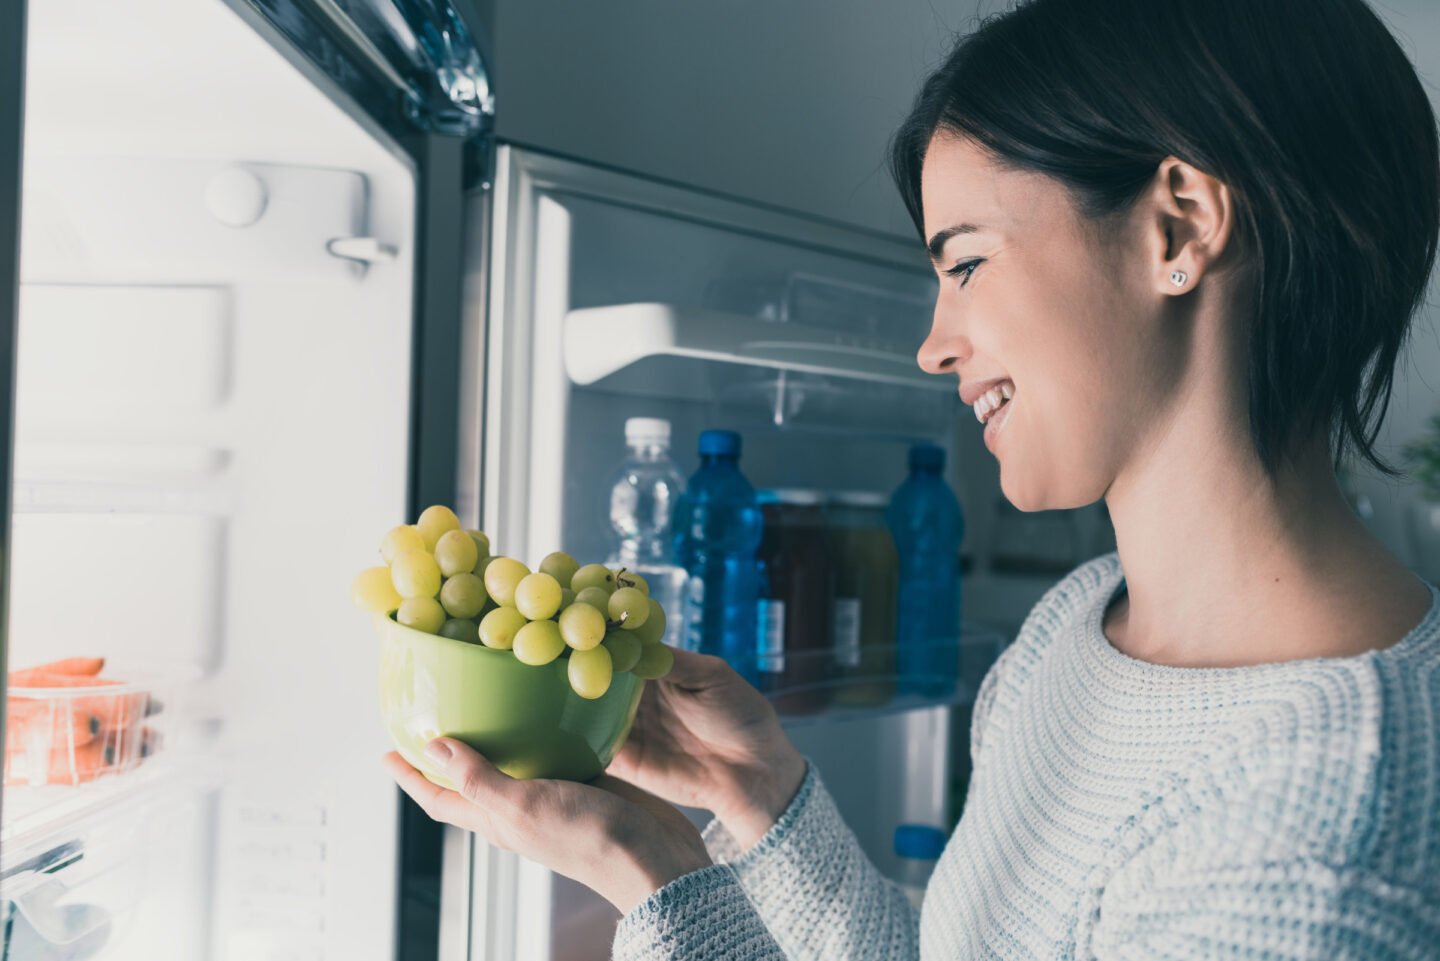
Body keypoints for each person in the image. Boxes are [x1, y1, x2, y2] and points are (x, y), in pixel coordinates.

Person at [385, 0, 1440, 955]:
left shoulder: (1317, 851)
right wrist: (759, 799)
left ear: (1180, 229)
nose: (936, 346)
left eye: (967, 262)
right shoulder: (1078, 628)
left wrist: (648, 874)